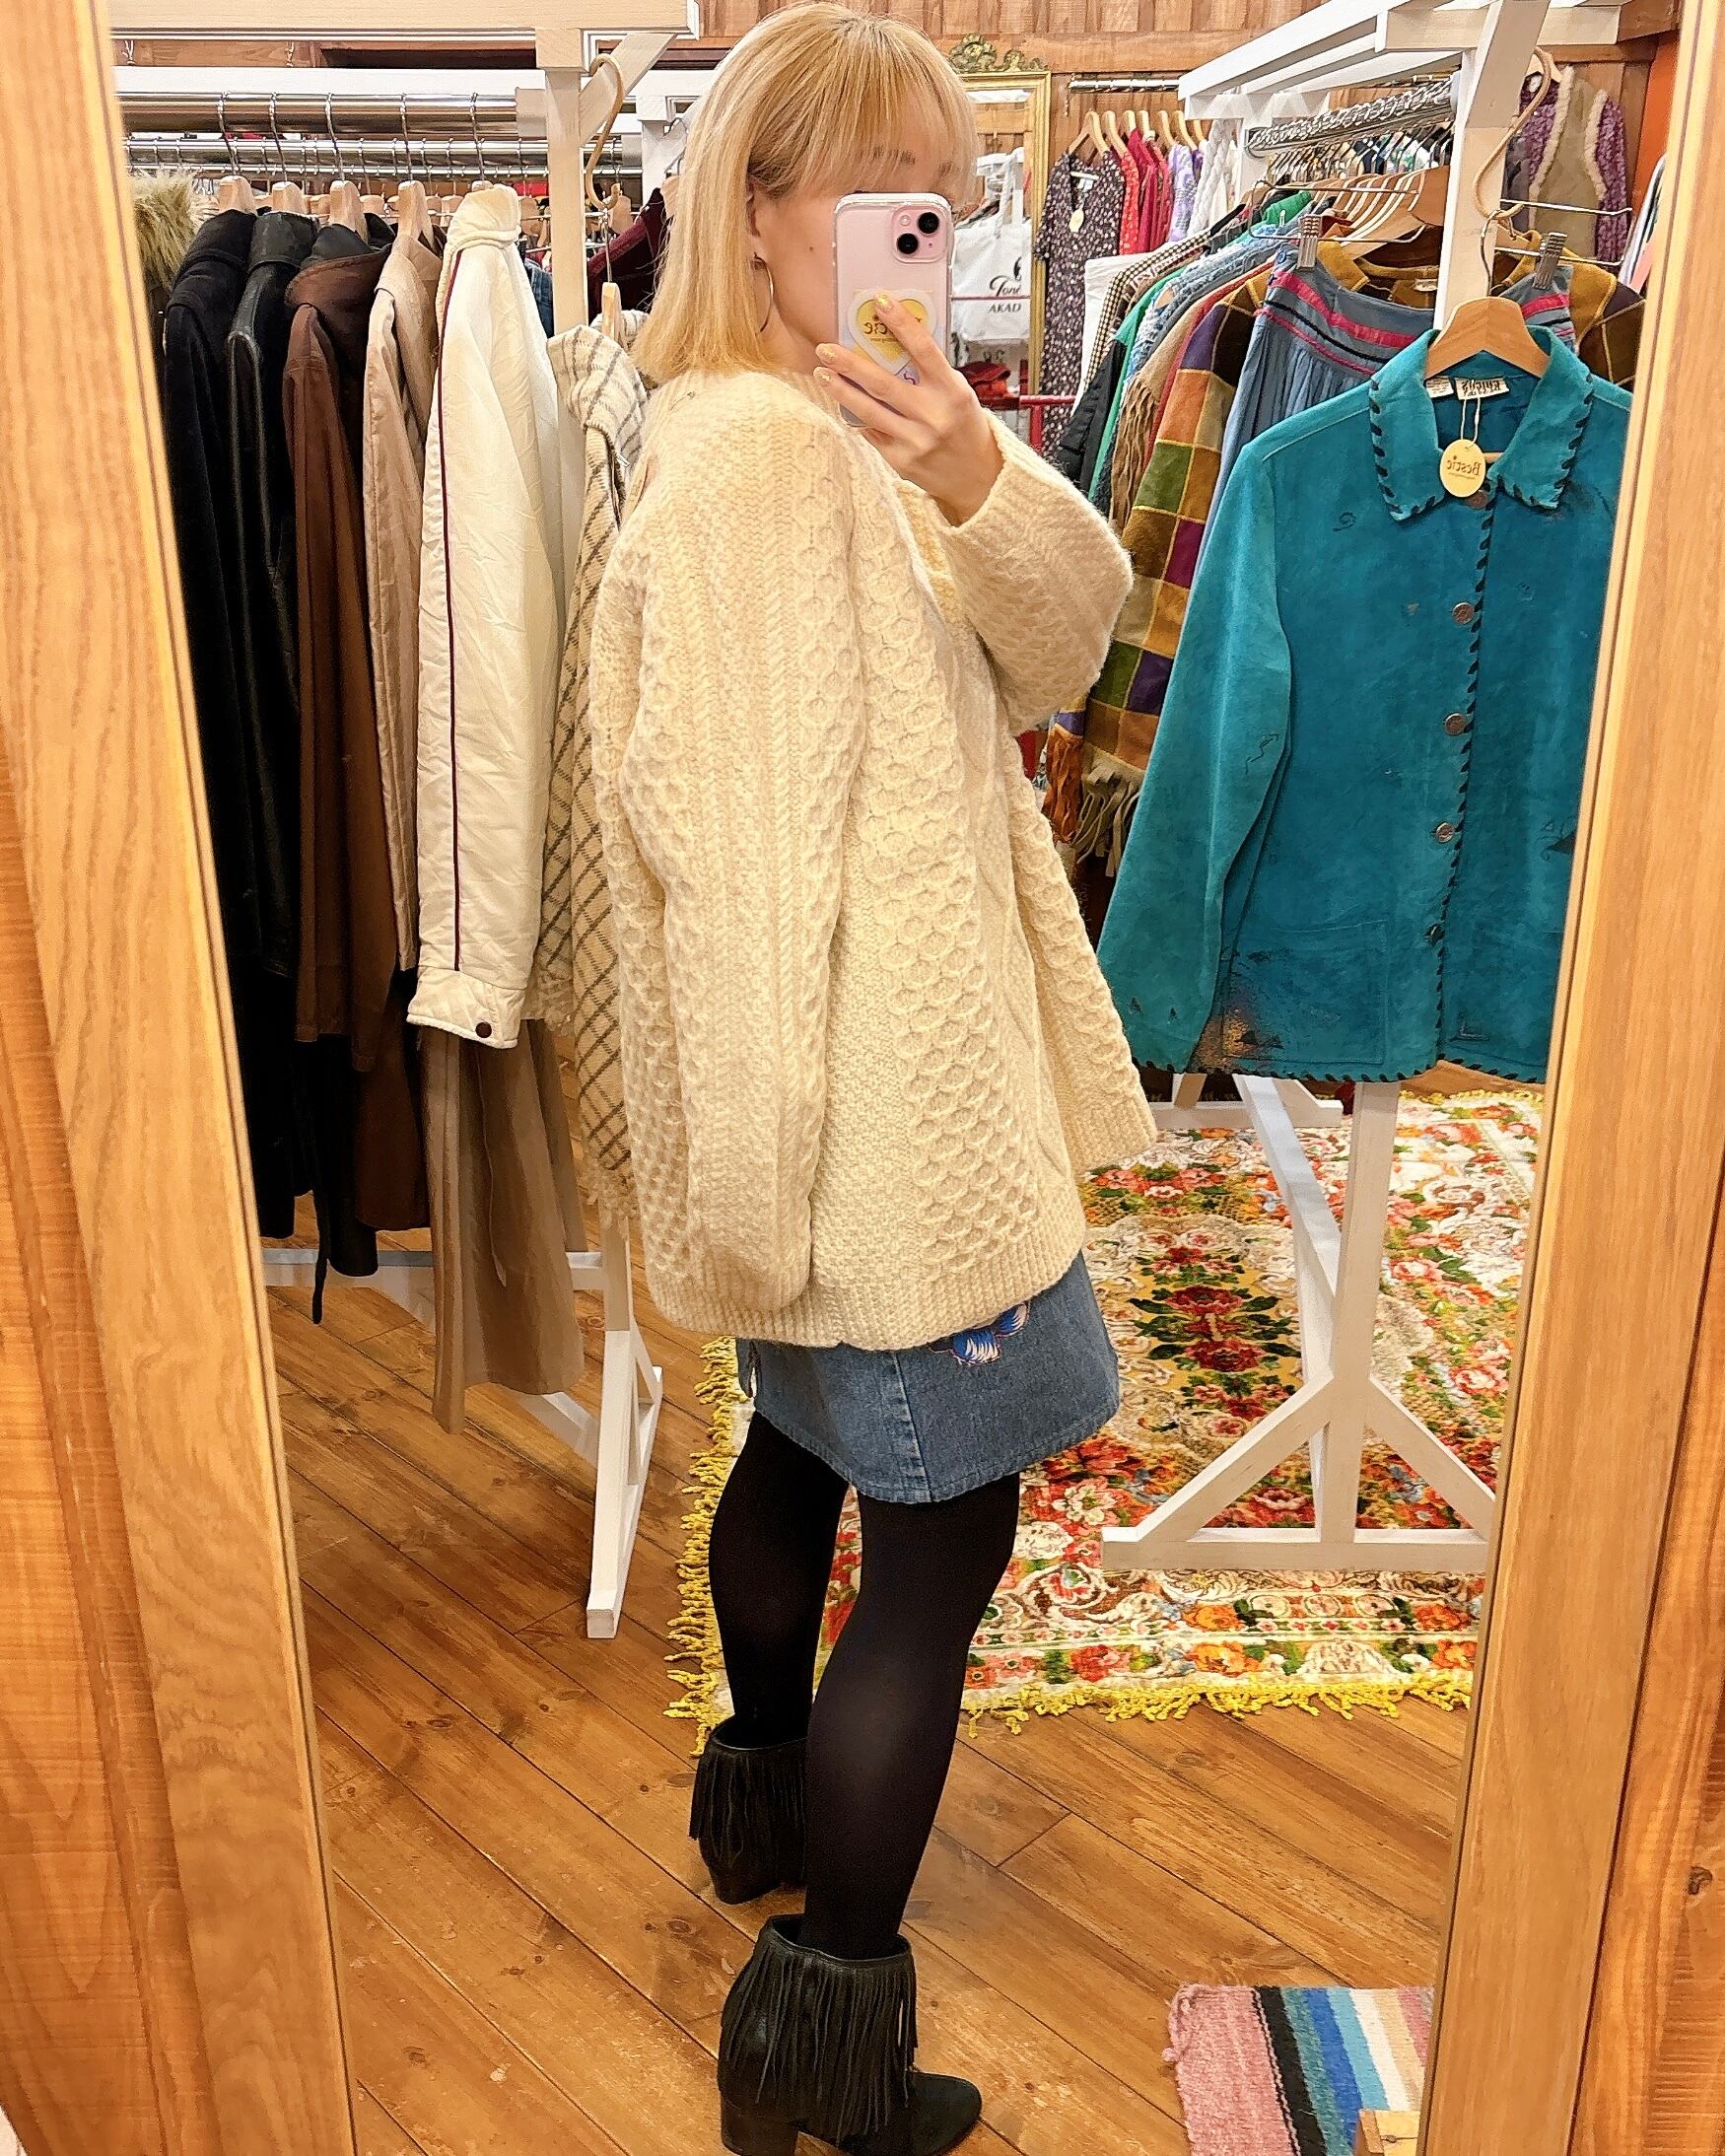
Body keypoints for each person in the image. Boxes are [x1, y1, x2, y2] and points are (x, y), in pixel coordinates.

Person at [589, 10, 1153, 2150]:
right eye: (883, 193)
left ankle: (759, 1802)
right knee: (931, 1554)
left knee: (800, 1456)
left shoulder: (840, 437)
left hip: (854, 1130)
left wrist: (967, 469)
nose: (933, 231)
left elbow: (1064, 646)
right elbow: (727, 876)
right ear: (754, 210)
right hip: (877, 1145)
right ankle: (819, 2033)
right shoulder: (759, 469)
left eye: (951, 195)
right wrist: (751, 1195)